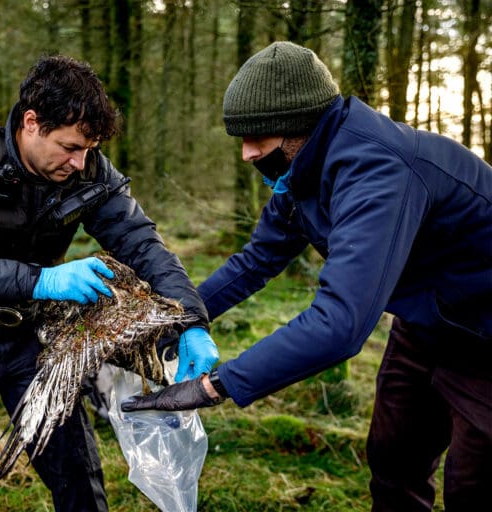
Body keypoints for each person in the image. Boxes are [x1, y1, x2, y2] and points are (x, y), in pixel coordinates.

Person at [121, 41, 492, 510]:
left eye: (258, 137)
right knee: (394, 459)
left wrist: (217, 385)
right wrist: (174, 318)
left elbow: (340, 324)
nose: (247, 153)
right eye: (241, 137)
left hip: (485, 334)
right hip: (427, 323)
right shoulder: (303, 172)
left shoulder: (379, 171)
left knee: (474, 484)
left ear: (303, 124)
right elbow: (254, 262)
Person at [0, 54, 219, 512]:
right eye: (69, 147)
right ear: (31, 123)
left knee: (77, 476)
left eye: (88, 149)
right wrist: (41, 280)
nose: (79, 161)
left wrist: (191, 320)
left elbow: (141, 243)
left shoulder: (88, 170)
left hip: (36, 344)